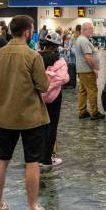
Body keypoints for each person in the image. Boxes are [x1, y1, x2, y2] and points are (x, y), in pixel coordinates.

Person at [0, 15, 53, 210]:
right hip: (30, 117)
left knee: (1, 159)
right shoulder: (32, 56)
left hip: (5, 116)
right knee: (32, 162)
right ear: (27, 32)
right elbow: (43, 86)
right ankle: (32, 209)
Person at [39, 32, 69, 172]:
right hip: (55, 96)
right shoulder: (59, 60)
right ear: (56, 46)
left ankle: (37, 157)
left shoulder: (36, 57)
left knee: (38, 125)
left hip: (38, 95)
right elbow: (64, 78)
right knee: (52, 126)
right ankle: (47, 159)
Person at [74, 22, 102, 120]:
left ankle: (82, 111)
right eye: (90, 29)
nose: (92, 30)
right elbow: (88, 57)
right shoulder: (84, 41)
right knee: (92, 90)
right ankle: (95, 112)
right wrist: (94, 68)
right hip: (87, 70)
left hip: (81, 70)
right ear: (84, 29)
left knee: (83, 91)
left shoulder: (80, 40)